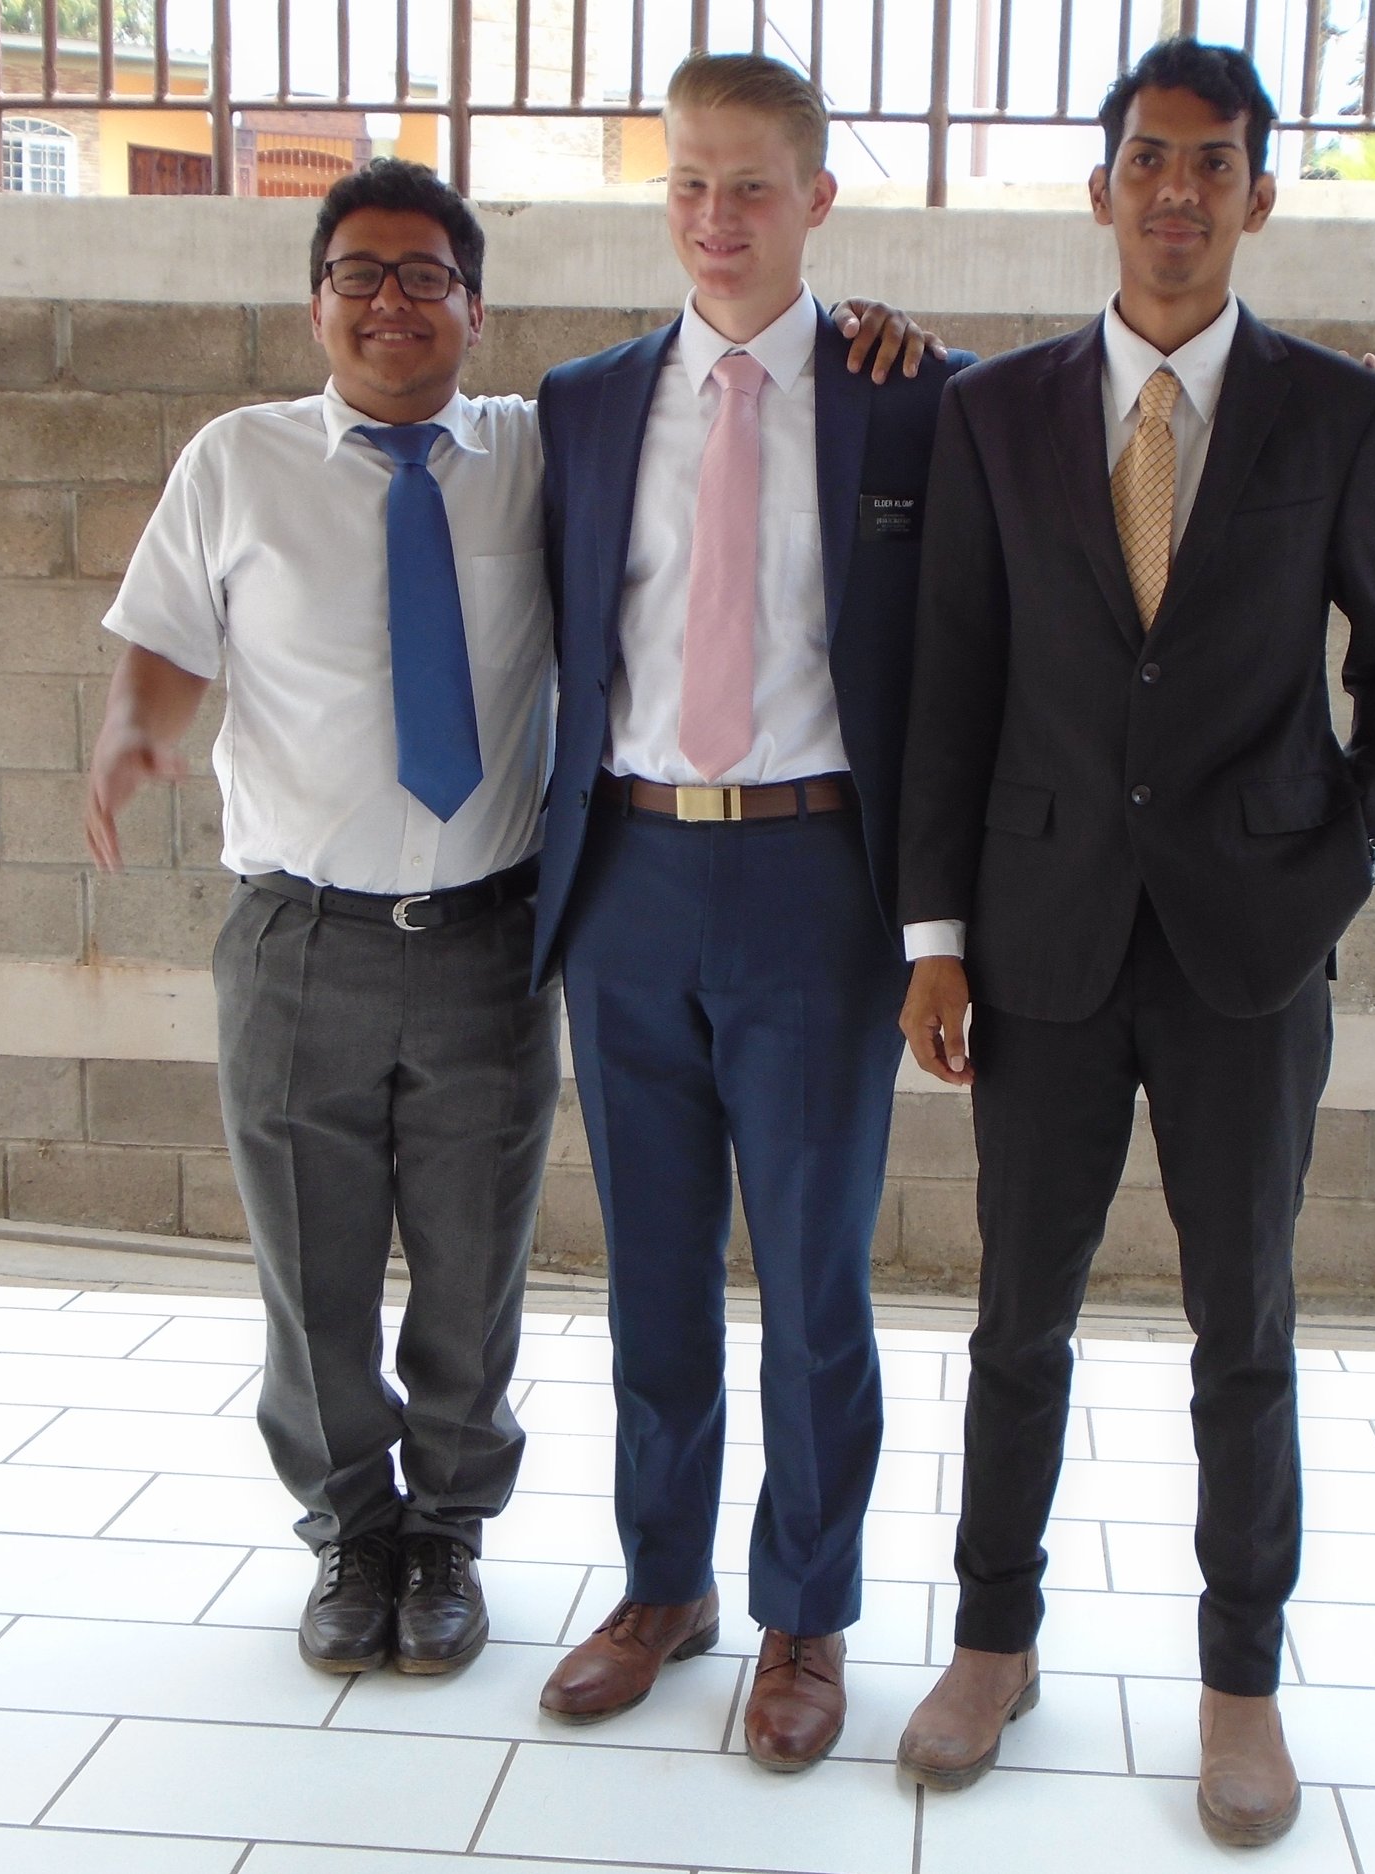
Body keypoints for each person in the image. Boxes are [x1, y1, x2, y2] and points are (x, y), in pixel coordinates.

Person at [82, 158, 929, 1680]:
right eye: (359, 274)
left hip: (491, 933)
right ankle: (354, 1530)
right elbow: (162, 644)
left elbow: (729, 410)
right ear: (316, 300)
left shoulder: (549, 445)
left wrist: (864, 328)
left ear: (475, 305)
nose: (390, 303)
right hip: (296, 937)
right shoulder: (236, 461)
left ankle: (454, 1533)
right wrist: (134, 732)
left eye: (425, 275)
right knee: (314, 1269)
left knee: (476, 1270)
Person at [890, 40, 1375, 1847]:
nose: (1178, 192)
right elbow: (951, 687)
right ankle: (994, 1644)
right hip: (1042, 941)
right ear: (1103, 185)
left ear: (1258, 196)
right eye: (1149, 158)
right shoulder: (998, 415)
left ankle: (1240, 1688)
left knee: (1246, 1331)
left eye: (1215, 164)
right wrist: (937, 937)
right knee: (1018, 1324)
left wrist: (1342, 858)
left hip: (1251, 953)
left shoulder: (1337, 416)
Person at [526, 53, 974, 1770]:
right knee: (648, 1271)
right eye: (689, 185)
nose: (717, 220)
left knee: (811, 1276)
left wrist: (1341, 387)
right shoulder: (581, 404)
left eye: (753, 188)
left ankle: (805, 1612)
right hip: (629, 876)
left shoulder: (905, 396)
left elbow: (1069, 438)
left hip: (814, 882)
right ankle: (662, 1584)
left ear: (818, 204)